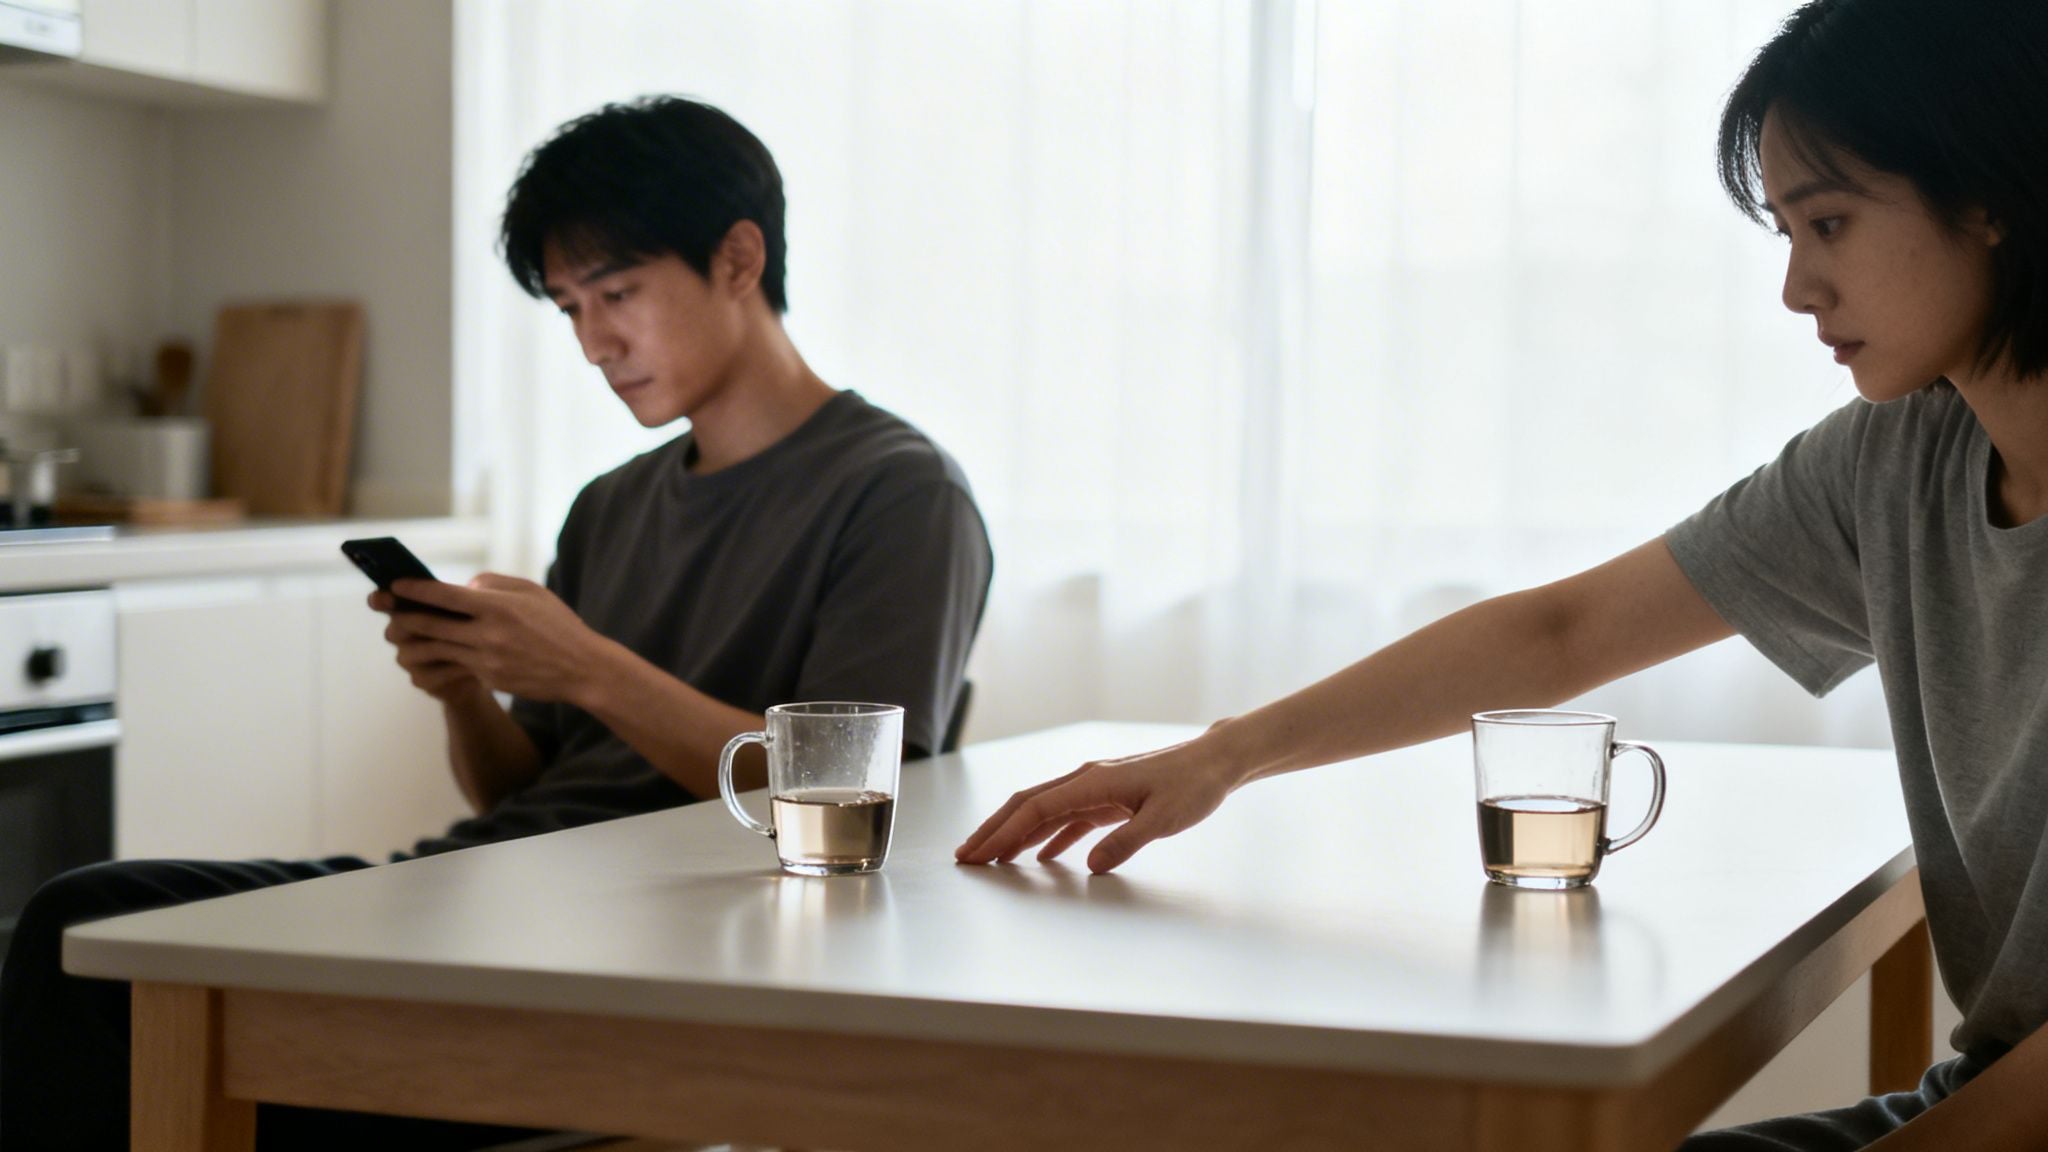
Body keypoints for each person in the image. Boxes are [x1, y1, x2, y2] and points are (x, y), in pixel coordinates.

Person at [957, 0, 2047, 1147]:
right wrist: (1217, 756)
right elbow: (1560, 632)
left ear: (1985, 196)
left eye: (1825, 223)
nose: (1794, 288)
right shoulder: (1894, 463)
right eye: (1783, 230)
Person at [0, 95, 992, 1151]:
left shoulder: (897, 494)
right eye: (568, 308)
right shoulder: (612, 503)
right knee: (84, 929)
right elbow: (523, 796)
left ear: (738, 260)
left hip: (641, 963)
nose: (593, 342)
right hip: (489, 896)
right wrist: (463, 687)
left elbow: (851, 819)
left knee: (85, 951)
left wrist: (592, 668)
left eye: (617, 293)